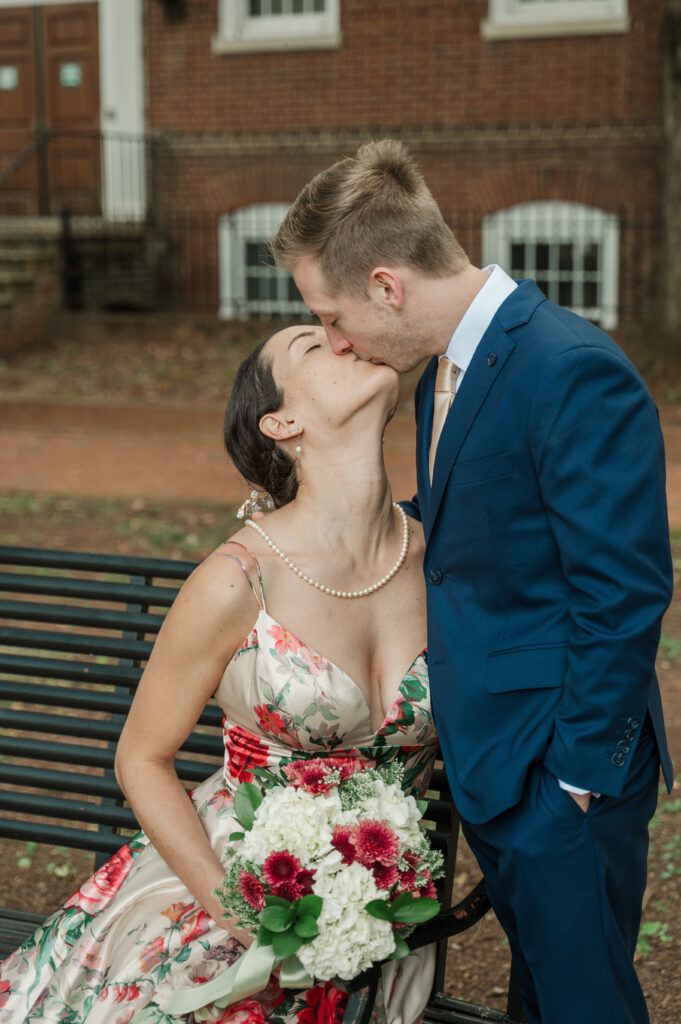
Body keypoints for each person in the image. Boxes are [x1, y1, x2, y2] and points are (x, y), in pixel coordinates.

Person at [269, 139, 675, 1024]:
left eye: (331, 315)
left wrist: (574, 778)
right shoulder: (441, 372)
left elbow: (626, 592)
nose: (334, 339)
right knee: (541, 996)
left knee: (585, 1005)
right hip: (495, 763)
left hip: (561, 772)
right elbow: (470, 527)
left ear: (385, 285)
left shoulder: (569, 369)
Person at [0, 324, 436, 1024]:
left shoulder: (440, 555)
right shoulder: (238, 579)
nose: (344, 337)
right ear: (282, 421)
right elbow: (140, 757)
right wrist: (237, 910)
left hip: (378, 910)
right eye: (312, 344)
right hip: (230, 885)